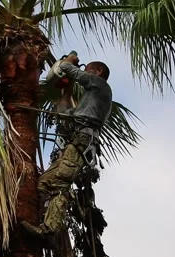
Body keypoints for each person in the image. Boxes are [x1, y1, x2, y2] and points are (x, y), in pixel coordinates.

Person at [20, 54, 113, 238]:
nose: (84, 73)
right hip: (76, 141)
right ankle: (35, 220)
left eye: (87, 70)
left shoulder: (101, 85)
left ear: (98, 72)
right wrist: (67, 89)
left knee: (59, 183)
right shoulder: (87, 104)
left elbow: (71, 70)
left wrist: (70, 60)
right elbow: (64, 113)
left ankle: (49, 231)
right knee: (44, 183)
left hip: (83, 141)